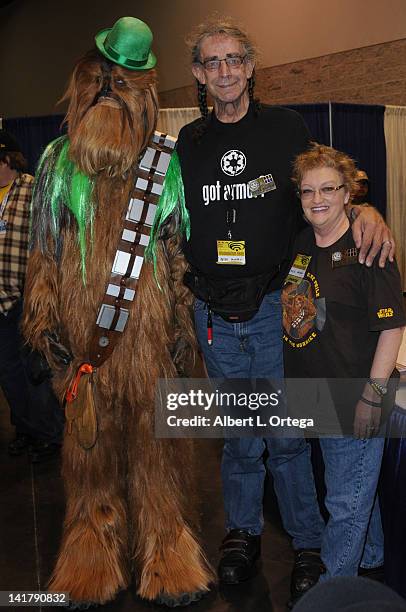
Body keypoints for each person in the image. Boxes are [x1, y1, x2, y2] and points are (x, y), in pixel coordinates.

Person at [174, 15, 395, 600]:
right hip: (214, 316)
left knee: (289, 436)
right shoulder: (188, 144)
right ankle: (243, 532)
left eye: (234, 59)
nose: (224, 71)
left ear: (250, 67)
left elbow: (328, 182)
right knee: (240, 436)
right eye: (212, 62)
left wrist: (366, 211)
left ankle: (307, 541)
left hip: (276, 308)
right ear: (199, 73)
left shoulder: (285, 127)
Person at [282, 143, 405, 602]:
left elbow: (393, 325)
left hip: (355, 395)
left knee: (344, 503)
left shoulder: (369, 246)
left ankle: (333, 593)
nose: (318, 199)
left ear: (348, 192)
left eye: (329, 189)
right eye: (308, 190)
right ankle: (369, 562)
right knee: (354, 492)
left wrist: (374, 395)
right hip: (314, 393)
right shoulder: (301, 243)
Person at [0, 129, 63, 462]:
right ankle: (25, 429)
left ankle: (50, 435)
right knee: (8, 372)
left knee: (37, 369)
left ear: (8, 159)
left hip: (29, 296)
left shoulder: (32, 188)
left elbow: (50, 238)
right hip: (0, 299)